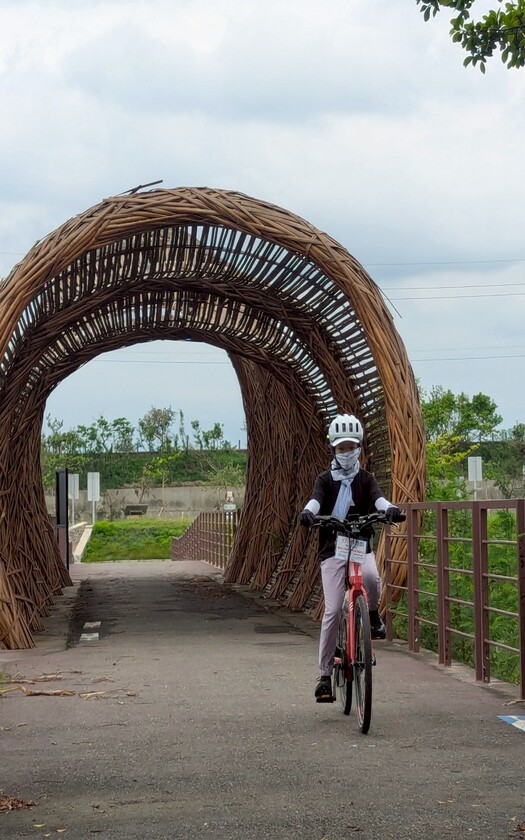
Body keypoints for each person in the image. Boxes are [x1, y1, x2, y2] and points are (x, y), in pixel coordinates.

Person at [298, 412, 403, 702]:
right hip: (333, 550)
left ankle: (371, 615)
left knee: (370, 576)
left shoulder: (366, 479)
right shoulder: (324, 479)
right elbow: (316, 500)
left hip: (359, 545)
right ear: (333, 449)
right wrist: (310, 513)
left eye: (351, 446)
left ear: (359, 447)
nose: (347, 452)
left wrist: (390, 509)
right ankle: (323, 676)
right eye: (341, 447)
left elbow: (379, 499)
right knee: (332, 610)